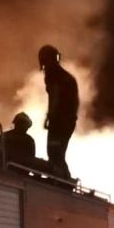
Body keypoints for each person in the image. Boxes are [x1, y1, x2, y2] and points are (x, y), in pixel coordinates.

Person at [38, 44, 79, 178]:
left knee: (54, 151)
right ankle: (63, 178)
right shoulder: (67, 77)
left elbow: (54, 96)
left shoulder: (52, 74)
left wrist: (49, 117)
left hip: (59, 121)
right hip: (69, 122)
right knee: (59, 152)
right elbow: (75, 102)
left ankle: (61, 179)